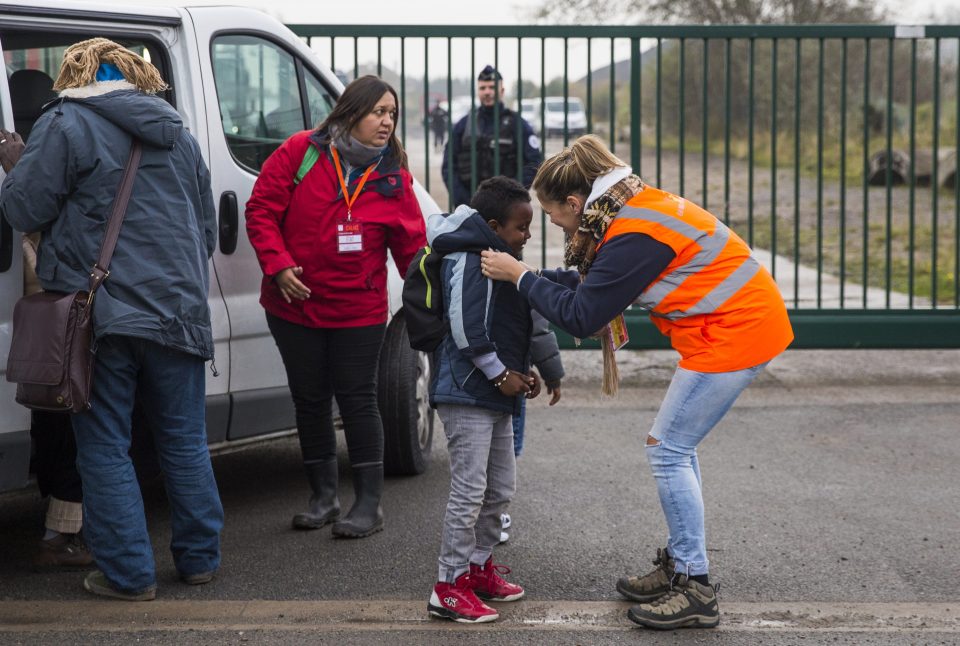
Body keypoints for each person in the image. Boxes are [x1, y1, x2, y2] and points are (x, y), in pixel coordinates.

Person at [479, 135, 794, 631]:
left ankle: (695, 585)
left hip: (736, 333)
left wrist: (520, 276)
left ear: (575, 203)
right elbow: (591, 286)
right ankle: (680, 565)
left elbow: (583, 315)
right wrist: (531, 276)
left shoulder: (632, 233)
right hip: (732, 327)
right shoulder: (629, 210)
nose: (556, 226)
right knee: (673, 449)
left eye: (555, 216)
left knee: (668, 449)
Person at [0, 38, 223, 601]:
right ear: (132, 78)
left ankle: (127, 575)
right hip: (178, 311)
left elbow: (24, 209)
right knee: (184, 441)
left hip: (101, 316)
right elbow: (205, 231)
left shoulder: (65, 123)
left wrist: (16, 165)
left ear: (72, 78)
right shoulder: (178, 131)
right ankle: (199, 560)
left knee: (103, 446)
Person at [245, 75, 426, 539]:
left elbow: (412, 249)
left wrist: (431, 299)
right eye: (378, 112)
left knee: (358, 399)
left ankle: (369, 505)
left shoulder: (392, 176)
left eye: (392, 114)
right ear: (350, 113)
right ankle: (322, 497)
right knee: (309, 399)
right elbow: (261, 209)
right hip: (294, 305)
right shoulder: (300, 151)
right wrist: (279, 265)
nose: (387, 121)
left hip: (358, 311)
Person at [425, 176, 538, 624]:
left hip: (494, 393)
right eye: (521, 228)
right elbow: (466, 327)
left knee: (499, 488)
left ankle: (478, 568)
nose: (527, 236)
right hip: (467, 391)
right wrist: (500, 374)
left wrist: (518, 373)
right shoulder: (469, 259)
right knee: (469, 491)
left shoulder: (501, 258)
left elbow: (511, 323)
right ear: (494, 225)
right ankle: (448, 586)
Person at [498, 309, 563, 544]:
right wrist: (553, 376)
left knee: (482, 456)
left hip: (483, 371)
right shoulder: (517, 275)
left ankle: (488, 516)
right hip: (512, 376)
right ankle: (494, 515)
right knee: (504, 452)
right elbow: (537, 331)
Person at [442, 65, 542, 208]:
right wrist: (462, 200)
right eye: (483, 88)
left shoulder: (517, 124)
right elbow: (448, 165)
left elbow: (533, 162)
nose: (487, 92)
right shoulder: (463, 125)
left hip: (506, 209)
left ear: (502, 91)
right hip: (469, 205)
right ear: (478, 91)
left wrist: (512, 197)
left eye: (492, 87)